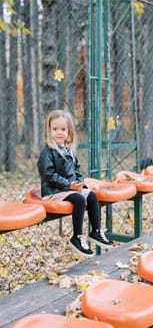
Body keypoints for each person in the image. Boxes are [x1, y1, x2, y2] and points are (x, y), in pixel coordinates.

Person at [37, 109, 113, 258]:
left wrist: (79, 184)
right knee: (79, 199)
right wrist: (69, 185)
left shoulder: (70, 151)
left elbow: (77, 171)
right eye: (55, 129)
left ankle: (96, 231)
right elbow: (49, 175)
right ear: (49, 131)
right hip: (53, 192)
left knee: (91, 195)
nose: (59, 133)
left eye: (63, 129)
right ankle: (77, 237)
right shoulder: (48, 152)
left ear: (69, 132)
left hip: (68, 189)